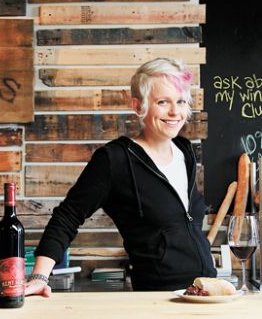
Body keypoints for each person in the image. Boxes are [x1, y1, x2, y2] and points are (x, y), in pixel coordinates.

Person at [25, 58, 216, 296]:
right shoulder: (114, 160)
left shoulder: (184, 151)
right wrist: (40, 276)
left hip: (204, 292)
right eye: (163, 102)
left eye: (180, 101)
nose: (175, 112)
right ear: (138, 106)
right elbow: (67, 216)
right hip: (159, 299)